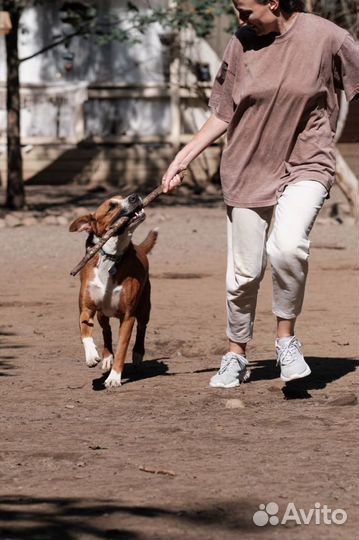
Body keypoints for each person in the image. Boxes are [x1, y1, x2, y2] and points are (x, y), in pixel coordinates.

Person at [162, 0, 359, 388]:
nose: (240, 19)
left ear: (273, 2)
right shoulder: (242, 42)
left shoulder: (328, 38)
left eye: (245, 10)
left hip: (307, 163)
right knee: (244, 275)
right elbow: (223, 113)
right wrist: (182, 157)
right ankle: (236, 353)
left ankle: (286, 340)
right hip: (247, 168)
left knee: (287, 247)